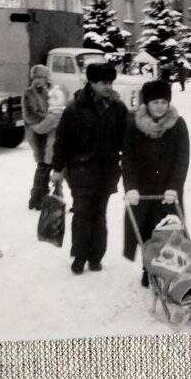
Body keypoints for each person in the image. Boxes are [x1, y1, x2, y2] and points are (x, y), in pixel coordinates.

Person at [51, 63, 129, 275]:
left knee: (99, 214)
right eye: (104, 82)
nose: (108, 86)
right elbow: (62, 141)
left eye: (111, 82)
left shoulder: (118, 108)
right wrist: (57, 168)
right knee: (82, 213)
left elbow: (126, 139)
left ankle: (96, 256)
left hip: (107, 171)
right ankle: (79, 256)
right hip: (81, 170)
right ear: (92, 83)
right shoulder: (75, 108)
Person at [122, 80, 190, 287]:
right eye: (155, 102)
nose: (160, 106)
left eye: (163, 102)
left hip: (167, 188)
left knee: (169, 231)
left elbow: (182, 159)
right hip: (142, 189)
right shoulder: (134, 124)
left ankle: (170, 269)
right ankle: (148, 268)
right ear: (147, 103)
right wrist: (130, 186)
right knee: (144, 230)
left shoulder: (177, 124)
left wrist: (174, 187)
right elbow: (128, 158)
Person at [23, 65, 57, 210]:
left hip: (49, 129)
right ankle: (37, 197)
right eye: (36, 77)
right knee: (43, 163)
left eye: (41, 77)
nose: (38, 80)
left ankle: (39, 196)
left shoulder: (50, 91)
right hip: (36, 130)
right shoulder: (28, 93)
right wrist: (48, 119)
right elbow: (30, 114)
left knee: (46, 163)